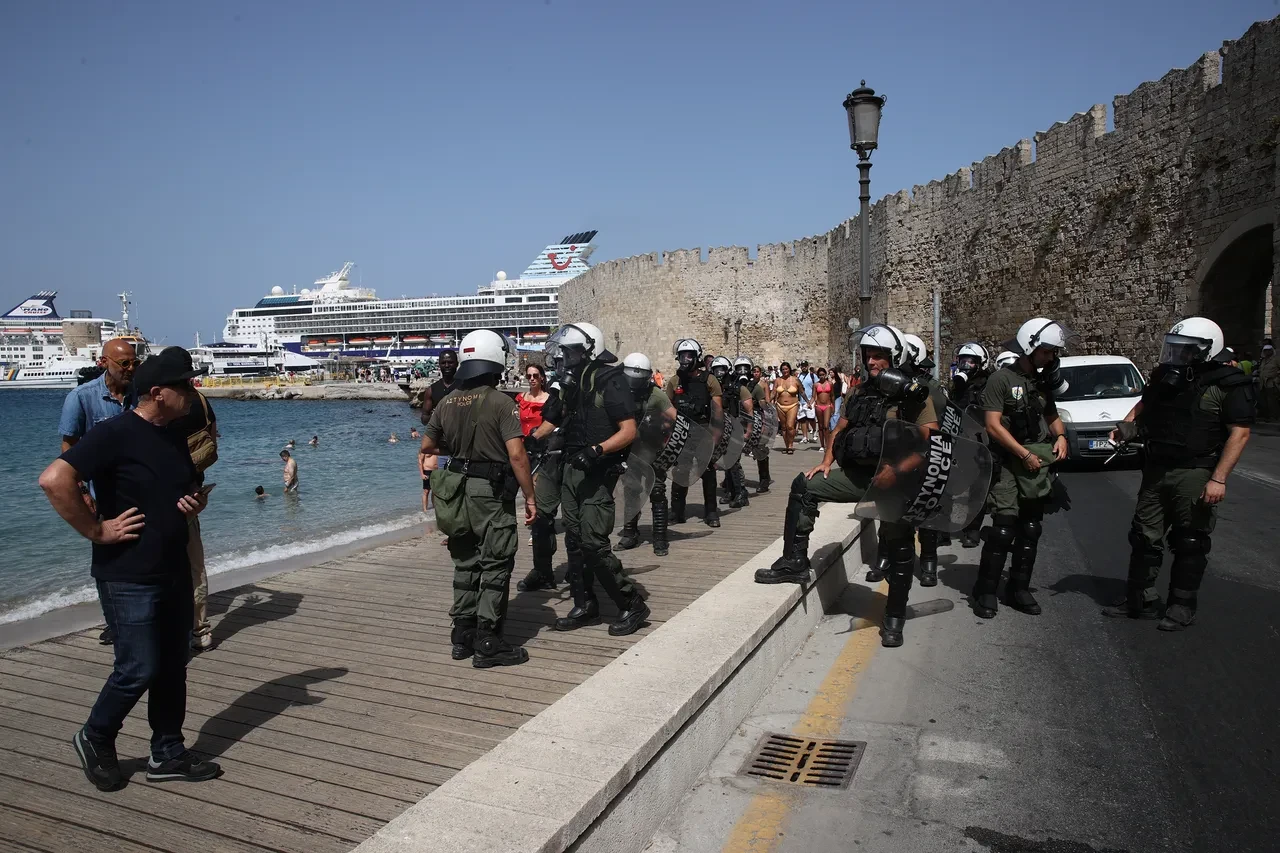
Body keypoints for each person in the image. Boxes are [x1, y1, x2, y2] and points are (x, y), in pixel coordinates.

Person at [39, 346, 220, 791]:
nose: (192, 390)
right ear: (158, 393)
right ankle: (95, 736)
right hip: (128, 573)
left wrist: (193, 502)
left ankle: (167, 752)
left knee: (173, 664)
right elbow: (54, 479)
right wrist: (96, 530)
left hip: (173, 566)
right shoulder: (114, 433)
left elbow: (176, 488)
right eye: (184, 385)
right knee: (137, 667)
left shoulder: (175, 434)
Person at [754, 324, 939, 648]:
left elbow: (929, 442)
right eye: (868, 355)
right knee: (804, 486)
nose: (871, 361)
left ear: (894, 357)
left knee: (899, 547)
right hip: (859, 476)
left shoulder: (914, 393)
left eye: (878, 355)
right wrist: (826, 461)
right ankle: (794, 562)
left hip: (896, 482)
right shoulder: (858, 392)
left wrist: (896, 470)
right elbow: (839, 429)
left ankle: (894, 616)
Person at [1102, 318, 1254, 630]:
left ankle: (1181, 607)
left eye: (1186, 349)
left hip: (1195, 471)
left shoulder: (1228, 383)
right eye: (1176, 347)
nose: (1179, 353)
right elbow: (1145, 404)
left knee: (1190, 540)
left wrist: (1218, 479)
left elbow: (1239, 433)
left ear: (1206, 349)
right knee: (1143, 536)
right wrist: (1125, 426)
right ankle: (1139, 599)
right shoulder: (1167, 376)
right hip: (1157, 468)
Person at [421, 330, 536, 667]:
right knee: (496, 562)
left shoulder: (446, 402)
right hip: (489, 493)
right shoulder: (502, 403)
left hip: (457, 491)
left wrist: (459, 453)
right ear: (495, 360)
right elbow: (517, 456)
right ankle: (488, 641)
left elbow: (428, 447)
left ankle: (463, 635)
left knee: (465, 561)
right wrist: (530, 497)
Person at [538, 322, 649, 635]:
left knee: (593, 543)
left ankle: (631, 603)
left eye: (570, 352)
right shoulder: (571, 384)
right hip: (571, 468)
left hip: (597, 471)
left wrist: (597, 450)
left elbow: (629, 431)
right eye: (564, 352)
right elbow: (550, 421)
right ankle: (584, 605)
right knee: (574, 541)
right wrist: (528, 441)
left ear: (589, 351)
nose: (565, 358)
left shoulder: (610, 381)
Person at [973, 318, 1073, 620]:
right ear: (1030, 347)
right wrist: (1022, 452)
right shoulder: (1001, 379)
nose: (1050, 358)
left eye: (1053, 353)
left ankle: (1019, 588)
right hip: (1008, 462)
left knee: (1030, 528)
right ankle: (985, 591)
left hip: (1035, 463)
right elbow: (992, 425)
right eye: (1046, 351)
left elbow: (1051, 415)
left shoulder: (1042, 382)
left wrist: (1061, 436)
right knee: (1003, 529)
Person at [59, 337, 140, 646]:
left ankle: (137, 615)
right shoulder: (81, 397)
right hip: (100, 492)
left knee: (139, 554)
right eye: (124, 363)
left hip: (136, 488)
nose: (130, 368)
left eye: (135, 363)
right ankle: (114, 621)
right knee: (106, 560)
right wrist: (82, 492)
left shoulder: (139, 394)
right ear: (104, 362)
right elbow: (69, 448)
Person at [167, 386, 219, 652]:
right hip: (192, 491)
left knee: (164, 568)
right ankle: (200, 630)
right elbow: (213, 439)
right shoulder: (200, 400)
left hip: (159, 498)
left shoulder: (154, 402)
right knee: (195, 567)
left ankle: (171, 630)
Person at [617, 352, 679, 556]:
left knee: (657, 492)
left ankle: (660, 538)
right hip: (630, 451)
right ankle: (629, 533)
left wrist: (662, 429)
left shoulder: (655, 394)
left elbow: (674, 418)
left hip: (653, 449)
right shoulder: (620, 392)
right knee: (631, 491)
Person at [666, 339, 723, 528]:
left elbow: (717, 412)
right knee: (680, 471)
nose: (685, 359)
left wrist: (715, 438)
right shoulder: (674, 381)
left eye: (689, 356)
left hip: (703, 429)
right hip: (682, 431)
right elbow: (667, 408)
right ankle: (677, 511)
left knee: (708, 472)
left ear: (697, 357)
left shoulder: (709, 380)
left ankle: (711, 511)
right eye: (682, 356)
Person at [950, 341, 993, 548]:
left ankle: (972, 529)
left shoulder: (989, 385)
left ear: (981, 363)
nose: (966, 365)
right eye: (963, 361)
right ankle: (943, 528)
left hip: (980, 442)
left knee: (978, 488)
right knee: (948, 484)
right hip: (959, 440)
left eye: (971, 361)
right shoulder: (958, 386)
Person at [710, 355, 754, 509]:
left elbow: (749, 410)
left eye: (721, 370)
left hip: (736, 428)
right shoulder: (713, 388)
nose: (719, 373)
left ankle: (741, 493)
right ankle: (731, 491)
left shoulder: (738, 388)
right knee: (726, 461)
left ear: (727, 370)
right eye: (716, 370)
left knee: (734, 462)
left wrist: (748, 431)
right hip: (721, 429)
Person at [744, 358, 772, 493]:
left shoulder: (759, 387)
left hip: (757, 419)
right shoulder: (745, 385)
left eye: (757, 371)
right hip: (744, 419)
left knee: (759, 448)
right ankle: (730, 479)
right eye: (753, 371)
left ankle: (764, 479)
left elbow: (764, 405)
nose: (755, 373)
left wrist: (766, 423)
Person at [419, 349, 459, 425]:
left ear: (457, 364)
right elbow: (424, 419)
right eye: (443, 363)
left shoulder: (465, 386)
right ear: (439, 365)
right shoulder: (431, 390)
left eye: (450, 362)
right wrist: (436, 415)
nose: (447, 365)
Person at [774, 362, 801, 453]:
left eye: (786, 369)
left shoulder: (795, 380)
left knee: (790, 426)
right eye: (783, 369)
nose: (785, 371)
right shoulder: (778, 380)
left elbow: (802, 391)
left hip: (792, 405)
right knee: (784, 427)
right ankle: (787, 446)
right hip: (780, 405)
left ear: (789, 369)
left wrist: (809, 402)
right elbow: (773, 393)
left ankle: (790, 445)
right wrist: (768, 401)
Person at [813, 367, 835, 451]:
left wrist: (833, 406)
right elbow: (813, 396)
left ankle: (827, 444)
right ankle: (822, 445)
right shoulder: (816, 385)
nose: (821, 376)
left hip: (827, 406)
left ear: (825, 374)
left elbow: (832, 396)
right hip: (818, 406)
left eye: (823, 374)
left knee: (826, 426)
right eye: (820, 375)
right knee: (821, 426)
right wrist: (810, 403)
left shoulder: (830, 384)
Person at [797, 362, 816, 443]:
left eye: (805, 366)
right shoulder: (799, 376)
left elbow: (816, 387)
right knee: (802, 419)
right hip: (801, 400)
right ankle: (805, 436)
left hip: (810, 400)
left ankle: (814, 429)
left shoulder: (812, 376)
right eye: (802, 366)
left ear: (807, 366)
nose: (804, 367)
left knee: (811, 418)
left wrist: (813, 399)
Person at [1258, 343, 1279, 420]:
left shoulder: (1276, 359)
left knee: (1272, 400)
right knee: (1264, 400)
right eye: (1265, 350)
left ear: (1271, 351)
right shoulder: (1263, 360)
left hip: (1271, 383)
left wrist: (1276, 379)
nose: (1267, 352)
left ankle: (1274, 416)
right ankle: (1266, 415)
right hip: (1262, 383)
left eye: (1268, 350)